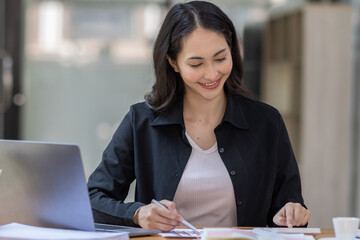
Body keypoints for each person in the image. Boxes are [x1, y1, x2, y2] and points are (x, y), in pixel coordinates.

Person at [87, 0, 310, 231]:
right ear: (173, 62)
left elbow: (289, 207)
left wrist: (291, 213)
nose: (212, 73)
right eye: (196, 64)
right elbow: (91, 198)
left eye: (220, 58)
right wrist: (137, 214)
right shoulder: (141, 121)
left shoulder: (266, 123)